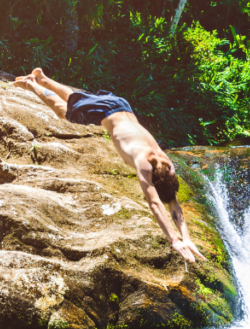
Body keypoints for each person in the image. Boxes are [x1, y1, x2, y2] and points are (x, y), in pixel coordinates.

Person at [13, 68, 206, 263]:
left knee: (76, 99)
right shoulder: (144, 164)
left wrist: (187, 239)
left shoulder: (168, 165)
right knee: (62, 111)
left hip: (122, 105)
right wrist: (174, 239)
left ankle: (43, 78)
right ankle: (32, 84)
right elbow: (155, 203)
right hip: (106, 112)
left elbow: (173, 203)